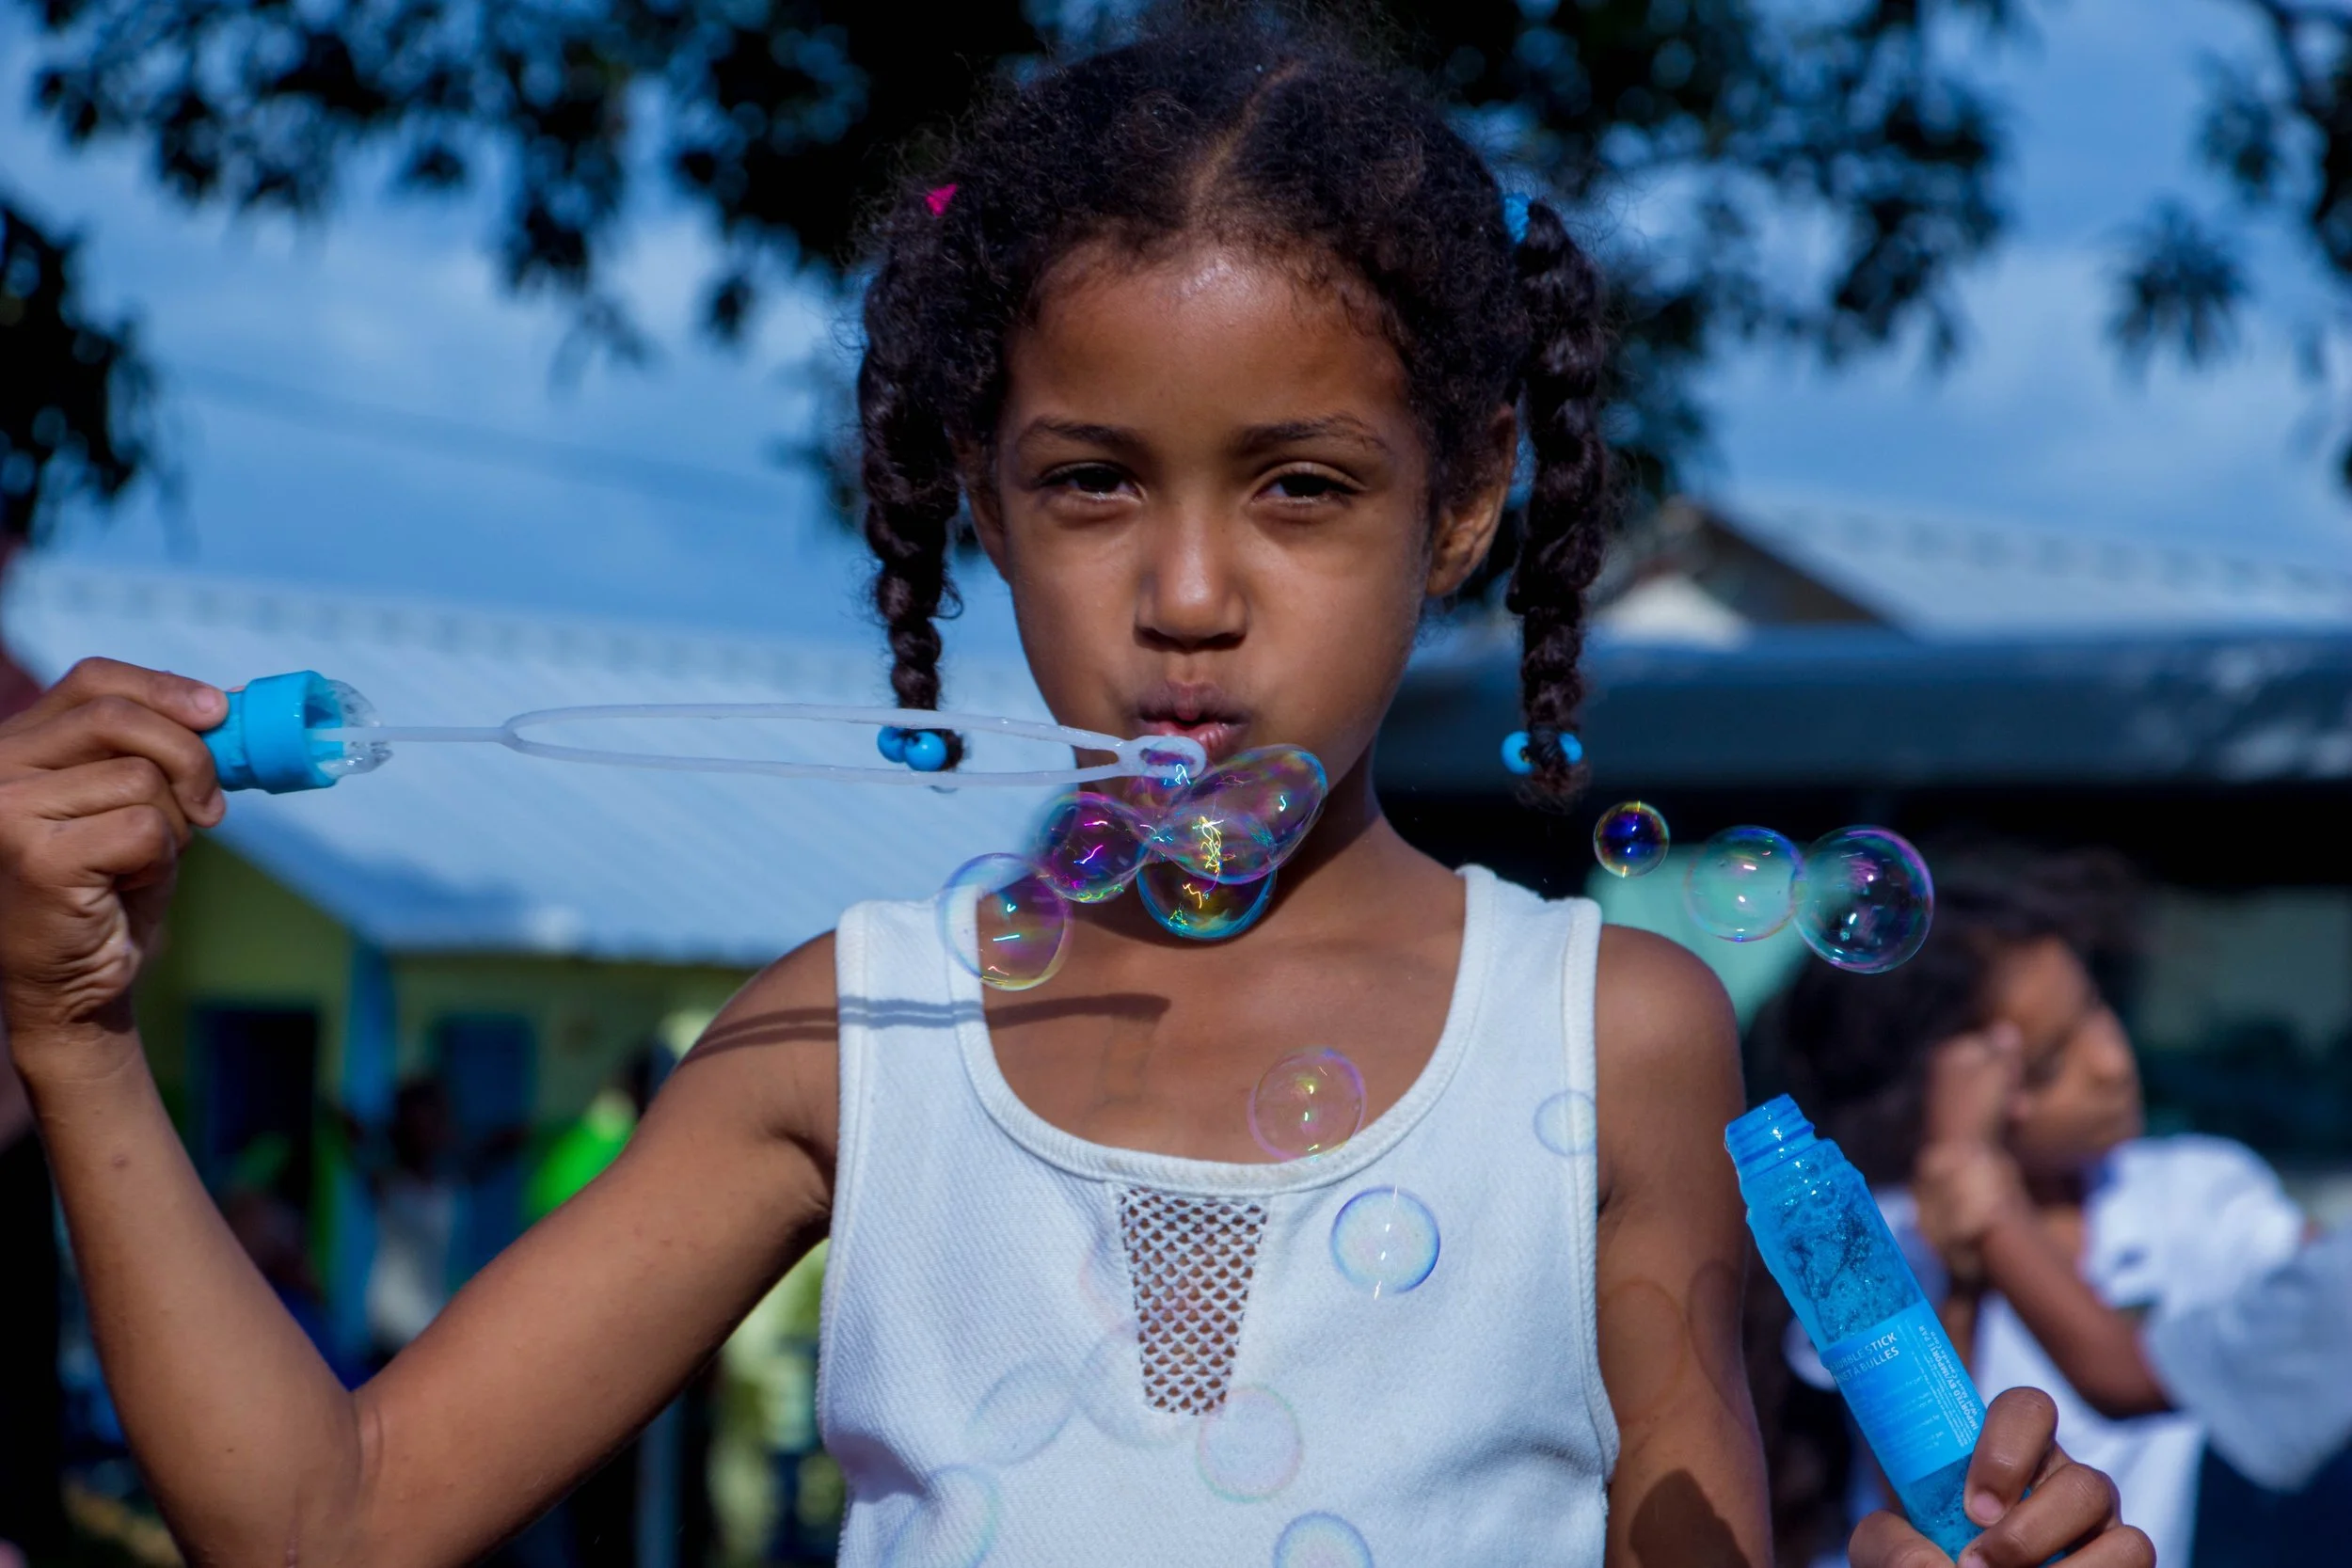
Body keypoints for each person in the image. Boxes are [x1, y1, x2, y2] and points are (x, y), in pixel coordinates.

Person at [0, 18, 2153, 1568]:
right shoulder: (851, 1032)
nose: (1190, 597)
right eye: (1093, 484)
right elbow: (326, 1522)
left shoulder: (1611, 1035)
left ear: (1467, 504)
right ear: (983, 511)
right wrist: (81, 1041)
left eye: (1303, 490)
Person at [1776, 847, 2303, 1568]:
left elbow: (2320, 1296)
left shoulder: (2196, 1189)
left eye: (2095, 1007)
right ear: (1943, 1092)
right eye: (2048, 1065)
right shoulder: (1877, 1233)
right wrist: (1957, 1272)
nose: (2112, 1063)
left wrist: (1981, 1181)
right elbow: (1922, 1508)